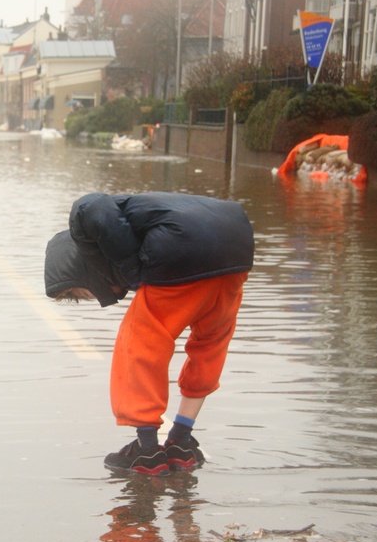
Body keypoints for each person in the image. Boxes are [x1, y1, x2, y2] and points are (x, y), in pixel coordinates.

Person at [44, 192, 254, 476]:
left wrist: (133, 271)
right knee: (211, 343)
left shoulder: (87, 235)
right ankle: (181, 440)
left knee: (139, 345)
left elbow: (89, 206)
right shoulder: (143, 213)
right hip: (236, 247)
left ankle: (146, 451)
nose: (88, 297)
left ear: (81, 266)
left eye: (77, 292)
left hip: (180, 248)